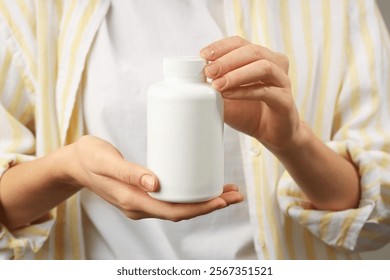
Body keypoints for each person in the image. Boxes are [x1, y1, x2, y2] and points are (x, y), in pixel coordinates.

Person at [0, 0, 390, 260]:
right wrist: (68, 167)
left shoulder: (337, 8)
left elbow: (378, 223)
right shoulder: (30, 9)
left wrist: (291, 140)